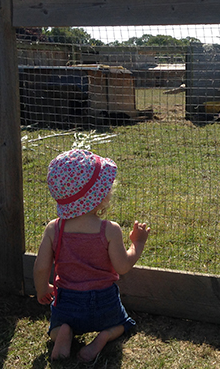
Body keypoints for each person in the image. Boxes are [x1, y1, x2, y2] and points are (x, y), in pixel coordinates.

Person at [33, 149, 151, 362]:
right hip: (103, 301)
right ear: (100, 196)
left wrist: (43, 289)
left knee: (55, 327)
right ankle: (103, 336)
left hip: (67, 301)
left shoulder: (54, 228)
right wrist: (138, 244)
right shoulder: (110, 230)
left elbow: (41, 267)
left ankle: (64, 333)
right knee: (122, 325)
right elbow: (123, 267)